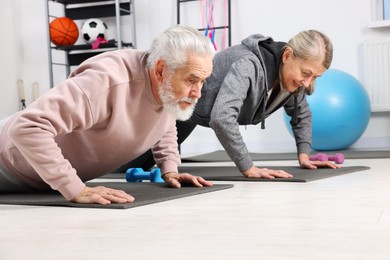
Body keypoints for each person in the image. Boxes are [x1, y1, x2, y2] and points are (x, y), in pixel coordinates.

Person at [0, 24, 215, 205]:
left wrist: (170, 169)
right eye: (191, 80)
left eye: (202, 81)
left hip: (41, 180)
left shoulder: (166, 89)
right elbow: (27, 127)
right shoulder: (107, 81)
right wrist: (75, 189)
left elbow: (163, 121)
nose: (198, 93)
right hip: (7, 164)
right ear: (160, 70)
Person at [120, 29, 340, 178]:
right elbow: (222, 118)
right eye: (306, 73)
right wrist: (249, 168)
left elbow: (301, 112)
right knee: (125, 163)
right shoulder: (249, 65)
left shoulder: (294, 81)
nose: (307, 82)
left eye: (315, 77)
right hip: (182, 105)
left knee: (156, 164)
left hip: (191, 113)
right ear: (287, 55)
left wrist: (304, 155)